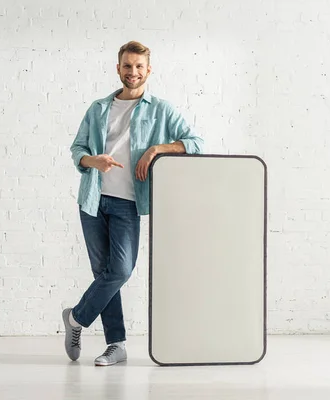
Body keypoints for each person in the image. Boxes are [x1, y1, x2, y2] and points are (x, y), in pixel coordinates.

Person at [63, 41, 203, 366]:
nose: (133, 72)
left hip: (127, 204)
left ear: (148, 70)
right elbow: (77, 150)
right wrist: (91, 161)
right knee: (104, 274)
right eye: (127, 66)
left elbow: (195, 143)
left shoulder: (161, 110)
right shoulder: (98, 108)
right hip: (93, 201)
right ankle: (117, 345)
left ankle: (75, 319)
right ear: (118, 69)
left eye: (139, 67)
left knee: (120, 270)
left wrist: (156, 150)